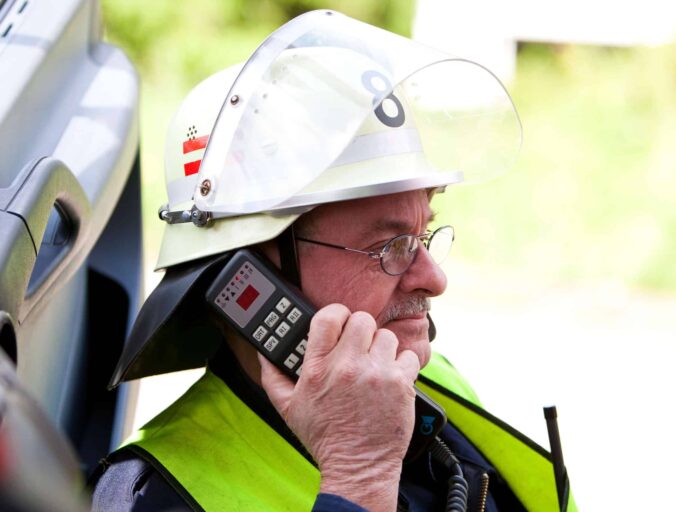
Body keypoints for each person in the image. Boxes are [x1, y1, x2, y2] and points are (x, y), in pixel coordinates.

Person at [90, 10, 575, 512]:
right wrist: (357, 477)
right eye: (391, 247)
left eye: (423, 234)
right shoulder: (149, 497)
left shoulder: (427, 379)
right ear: (250, 274)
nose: (434, 278)